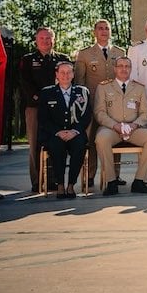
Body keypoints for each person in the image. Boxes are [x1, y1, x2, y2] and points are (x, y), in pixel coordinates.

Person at [94, 56, 147, 195]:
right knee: (101, 139)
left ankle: (139, 181)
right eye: (120, 66)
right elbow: (99, 113)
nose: (124, 69)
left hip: (133, 129)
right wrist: (115, 125)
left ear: (131, 69)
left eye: (127, 66)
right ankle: (111, 181)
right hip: (111, 129)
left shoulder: (139, 88)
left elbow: (145, 113)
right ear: (115, 69)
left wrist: (134, 125)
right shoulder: (104, 87)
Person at [73, 19, 125, 188]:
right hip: (93, 105)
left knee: (116, 138)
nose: (104, 31)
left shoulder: (119, 52)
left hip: (114, 105)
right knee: (91, 141)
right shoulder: (85, 54)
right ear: (94, 32)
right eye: (100, 29)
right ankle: (89, 175)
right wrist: (83, 106)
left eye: (107, 28)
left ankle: (115, 174)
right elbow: (79, 82)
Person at [19, 26, 70, 192]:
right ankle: (37, 180)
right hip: (35, 107)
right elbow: (25, 83)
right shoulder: (28, 59)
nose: (45, 41)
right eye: (42, 38)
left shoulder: (62, 59)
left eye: (48, 38)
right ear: (36, 40)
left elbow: (68, 81)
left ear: (53, 40)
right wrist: (40, 99)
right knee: (35, 144)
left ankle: (54, 179)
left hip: (57, 109)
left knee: (56, 143)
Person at [37, 61, 91, 198]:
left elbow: (86, 116)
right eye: (62, 72)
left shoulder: (82, 92)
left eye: (69, 72)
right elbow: (43, 119)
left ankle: (71, 184)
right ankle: (60, 184)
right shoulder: (47, 92)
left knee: (79, 146)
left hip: (75, 133)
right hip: (55, 133)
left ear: (73, 74)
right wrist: (58, 132)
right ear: (56, 74)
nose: (65, 75)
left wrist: (74, 131)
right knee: (56, 147)